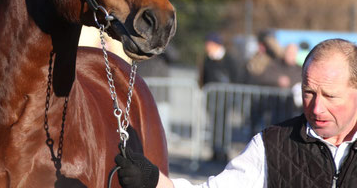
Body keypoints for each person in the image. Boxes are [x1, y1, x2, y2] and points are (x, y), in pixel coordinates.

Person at [115, 38, 357, 187]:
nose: (316, 108)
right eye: (308, 93)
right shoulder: (271, 145)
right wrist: (154, 181)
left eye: (330, 96)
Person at [199, 32, 243, 162]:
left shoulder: (229, 59)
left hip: (226, 98)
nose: (207, 47)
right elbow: (203, 77)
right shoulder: (208, 60)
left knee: (224, 125)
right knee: (214, 125)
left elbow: (236, 77)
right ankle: (215, 150)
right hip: (212, 98)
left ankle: (223, 150)